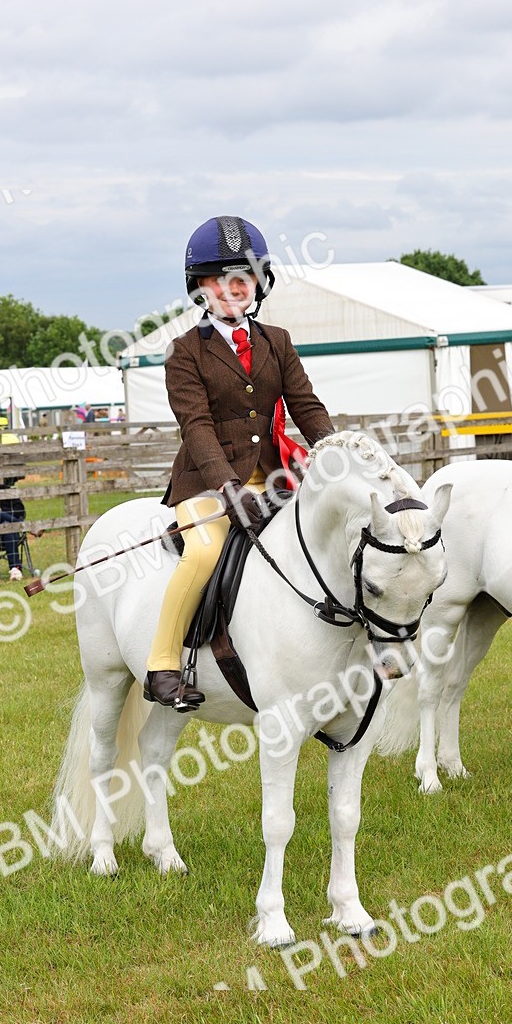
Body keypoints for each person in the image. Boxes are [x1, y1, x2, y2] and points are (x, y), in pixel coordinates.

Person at [144, 215, 335, 710]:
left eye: (242, 278)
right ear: (200, 289)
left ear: (258, 283)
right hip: (206, 485)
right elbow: (197, 427)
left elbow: (306, 405)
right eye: (218, 280)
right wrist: (228, 489)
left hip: (274, 480)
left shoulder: (278, 341)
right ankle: (162, 665)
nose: (232, 289)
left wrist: (334, 449)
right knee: (205, 553)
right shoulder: (184, 353)